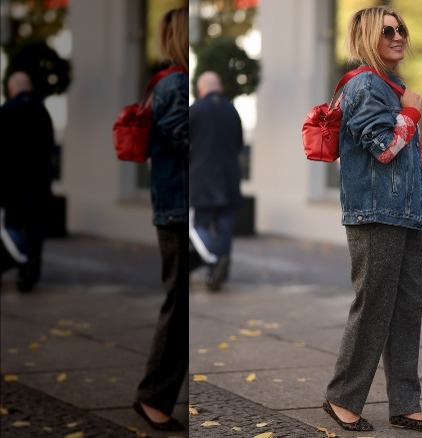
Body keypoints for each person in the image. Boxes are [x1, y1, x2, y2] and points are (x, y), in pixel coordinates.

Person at [321, 6, 422, 435]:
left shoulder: (392, 85)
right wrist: (410, 113)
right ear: (366, 38)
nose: (398, 36)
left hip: (407, 213)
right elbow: (385, 148)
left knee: (406, 310)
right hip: (376, 214)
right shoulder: (367, 86)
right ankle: (342, 396)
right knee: (373, 307)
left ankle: (405, 404)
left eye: (401, 28)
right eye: (387, 30)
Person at [132, 6, 188, 432]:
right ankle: (154, 398)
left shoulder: (164, 83)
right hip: (176, 211)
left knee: (179, 303)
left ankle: (156, 395)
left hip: (173, 207)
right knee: (178, 306)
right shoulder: (176, 85)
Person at [188, 71, 243, 292]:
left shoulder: (196, 110)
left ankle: (214, 259)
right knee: (224, 227)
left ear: (201, 89)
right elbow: (239, 144)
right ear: (219, 87)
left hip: (203, 179)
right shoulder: (233, 112)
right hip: (230, 178)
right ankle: (217, 275)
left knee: (195, 225)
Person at [0, 71, 54, 292]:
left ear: (12, 89)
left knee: (9, 227)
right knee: (35, 229)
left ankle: (8, 263)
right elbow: (50, 147)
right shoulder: (43, 111)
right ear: (29, 87)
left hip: (11, 183)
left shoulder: (6, 111)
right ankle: (29, 274)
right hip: (38, 183)